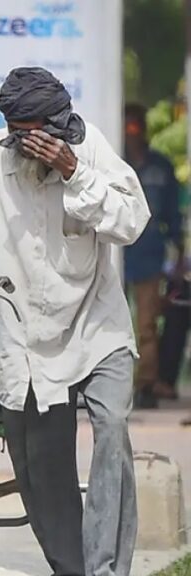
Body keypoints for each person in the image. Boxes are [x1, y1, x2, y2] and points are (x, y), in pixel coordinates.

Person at [0, 67, 149, 576]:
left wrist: (74, 173)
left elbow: (132, 221)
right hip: (25, 337)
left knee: (112, 429)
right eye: (19, 134)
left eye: (39, 133)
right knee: (43, 471)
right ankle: (74, 569)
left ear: (59, 124)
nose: (30, 145)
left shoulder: (90, 151)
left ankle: (108, 568)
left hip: (97, 325)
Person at [122, 103, 184, 409]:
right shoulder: (113, 162)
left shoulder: (160, 166)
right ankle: (115, 385)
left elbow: (172, 214)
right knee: (110, 323)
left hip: (149, 253)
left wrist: (180, 254)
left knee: (147, 325)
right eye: (127, 126)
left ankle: (146, 384)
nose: (131, 132)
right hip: (114, 255)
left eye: (136, 126)